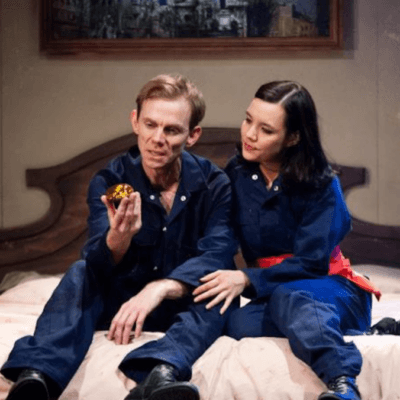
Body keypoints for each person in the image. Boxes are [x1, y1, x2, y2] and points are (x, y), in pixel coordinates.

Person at [1, 74, 238, 400]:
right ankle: (36, 376)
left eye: (172, 130)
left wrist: (160, 288)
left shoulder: (215, 184)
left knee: (221, 292)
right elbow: (96, 261)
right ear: (135, 122)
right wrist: (118, 237)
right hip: (118, 304)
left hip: (180, 307)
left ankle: (160, 373)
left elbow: (218, 254)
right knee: (80, 271)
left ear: (193, 135)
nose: (158, 139)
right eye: (150, 125)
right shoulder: (110, 180)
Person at [193, 81, 381, 400]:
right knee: (236, 323)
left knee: (290, 298)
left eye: (266, 130)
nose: (250, 134)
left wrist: (245, 278)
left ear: (292, 138)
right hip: (278, 293)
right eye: (248, 120)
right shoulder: (237, 173)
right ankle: (357, 329)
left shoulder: (321, 184)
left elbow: (311, 264)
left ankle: (343, 382)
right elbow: (221, 235)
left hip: (329, 285)